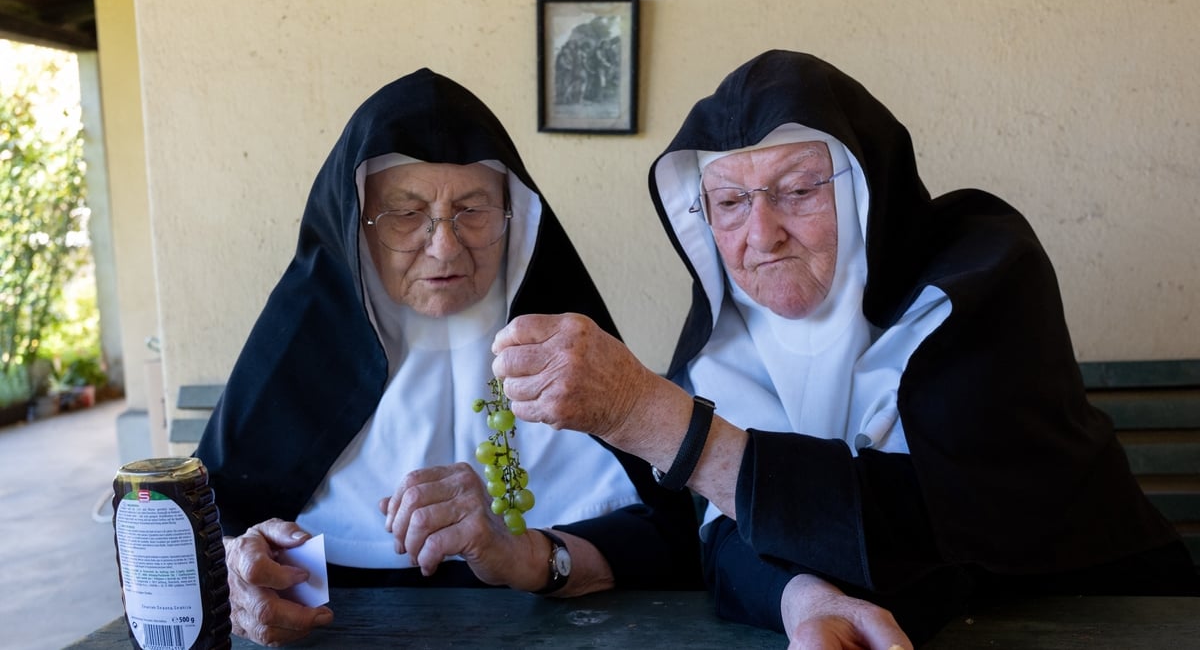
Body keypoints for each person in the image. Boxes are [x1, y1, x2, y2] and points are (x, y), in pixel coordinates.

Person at [491, 50, 1200, 647]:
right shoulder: (728, 338)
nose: (760, 235)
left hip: (1101, 620)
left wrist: (654, 417)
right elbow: (720, 533)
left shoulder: (985, 273)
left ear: (865, 188)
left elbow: (938, 530)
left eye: (798, 189)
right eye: (729, 203)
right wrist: (802, 597)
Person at [194, 69, 701, 646]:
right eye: (406, 214)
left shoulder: (571, 358)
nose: (444, 246)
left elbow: (673, 541)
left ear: (514, 217)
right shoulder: (305, 358)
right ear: (357, 228)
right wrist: (231, 569)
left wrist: (531, 556)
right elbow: (204, 529)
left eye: (473, 210)